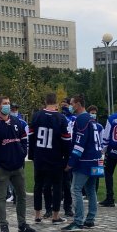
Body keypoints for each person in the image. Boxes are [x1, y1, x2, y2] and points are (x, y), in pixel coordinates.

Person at [0, 97, 35, 232]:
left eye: (8, 103)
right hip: (2, 168)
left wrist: (21, 155)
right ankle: (3, 224)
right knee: (1, 197)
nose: (7, 106)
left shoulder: (17, 122)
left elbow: (24, 140)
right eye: (5, 103)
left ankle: (22, 223)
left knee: (21, 195)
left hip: (17, 166)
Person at [29, 93, 71, 224]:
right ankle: (55, 216)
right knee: (57, 186)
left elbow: (31, 137)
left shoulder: (36, 116)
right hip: (55, 157)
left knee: (38, 185)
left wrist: (32, 155)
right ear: (56, 103)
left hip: (40, 156)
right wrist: (67, 158)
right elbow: (66, 141)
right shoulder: (61, 118)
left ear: (45, 101)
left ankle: (37, 215)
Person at [62, 95, 102, 232]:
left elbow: (79, 144)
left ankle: (78, 221)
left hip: (85, 161)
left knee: (76, 189)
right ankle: (90, 219)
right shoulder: (91, 119)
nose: (70, 106)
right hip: (96, 159)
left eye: (72, 103)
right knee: (91, 189)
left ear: (78, 104)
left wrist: (71, 162)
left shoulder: (81, 119)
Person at [60, 98, 76, 218]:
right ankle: (53, 205)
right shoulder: (59, 117)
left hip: (68, 152)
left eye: (67, 105)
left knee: (67, 182)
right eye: (63, 106)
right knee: (56, 181)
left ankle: (68, 207)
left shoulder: (74, 119)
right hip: (58, 152)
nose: (65, 107)